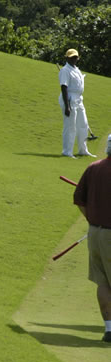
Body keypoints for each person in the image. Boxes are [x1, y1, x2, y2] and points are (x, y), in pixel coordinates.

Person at [73, 134, 111, 343]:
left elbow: (79, 200)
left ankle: (109, 329)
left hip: (95, 234)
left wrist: (93, 219)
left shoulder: (93, 168)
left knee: (103, 282)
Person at [58, 49, 96, 158]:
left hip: (79, 99)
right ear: (67, 58)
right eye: (71, 57)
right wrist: (67, 106)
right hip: (69, 98)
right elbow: (64, 87)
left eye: (75, 57)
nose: (74, 59)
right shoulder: (65, 70)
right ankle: (67, 151)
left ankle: (83, 150)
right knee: (70, 126)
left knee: (83, 124)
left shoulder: (77, 69)